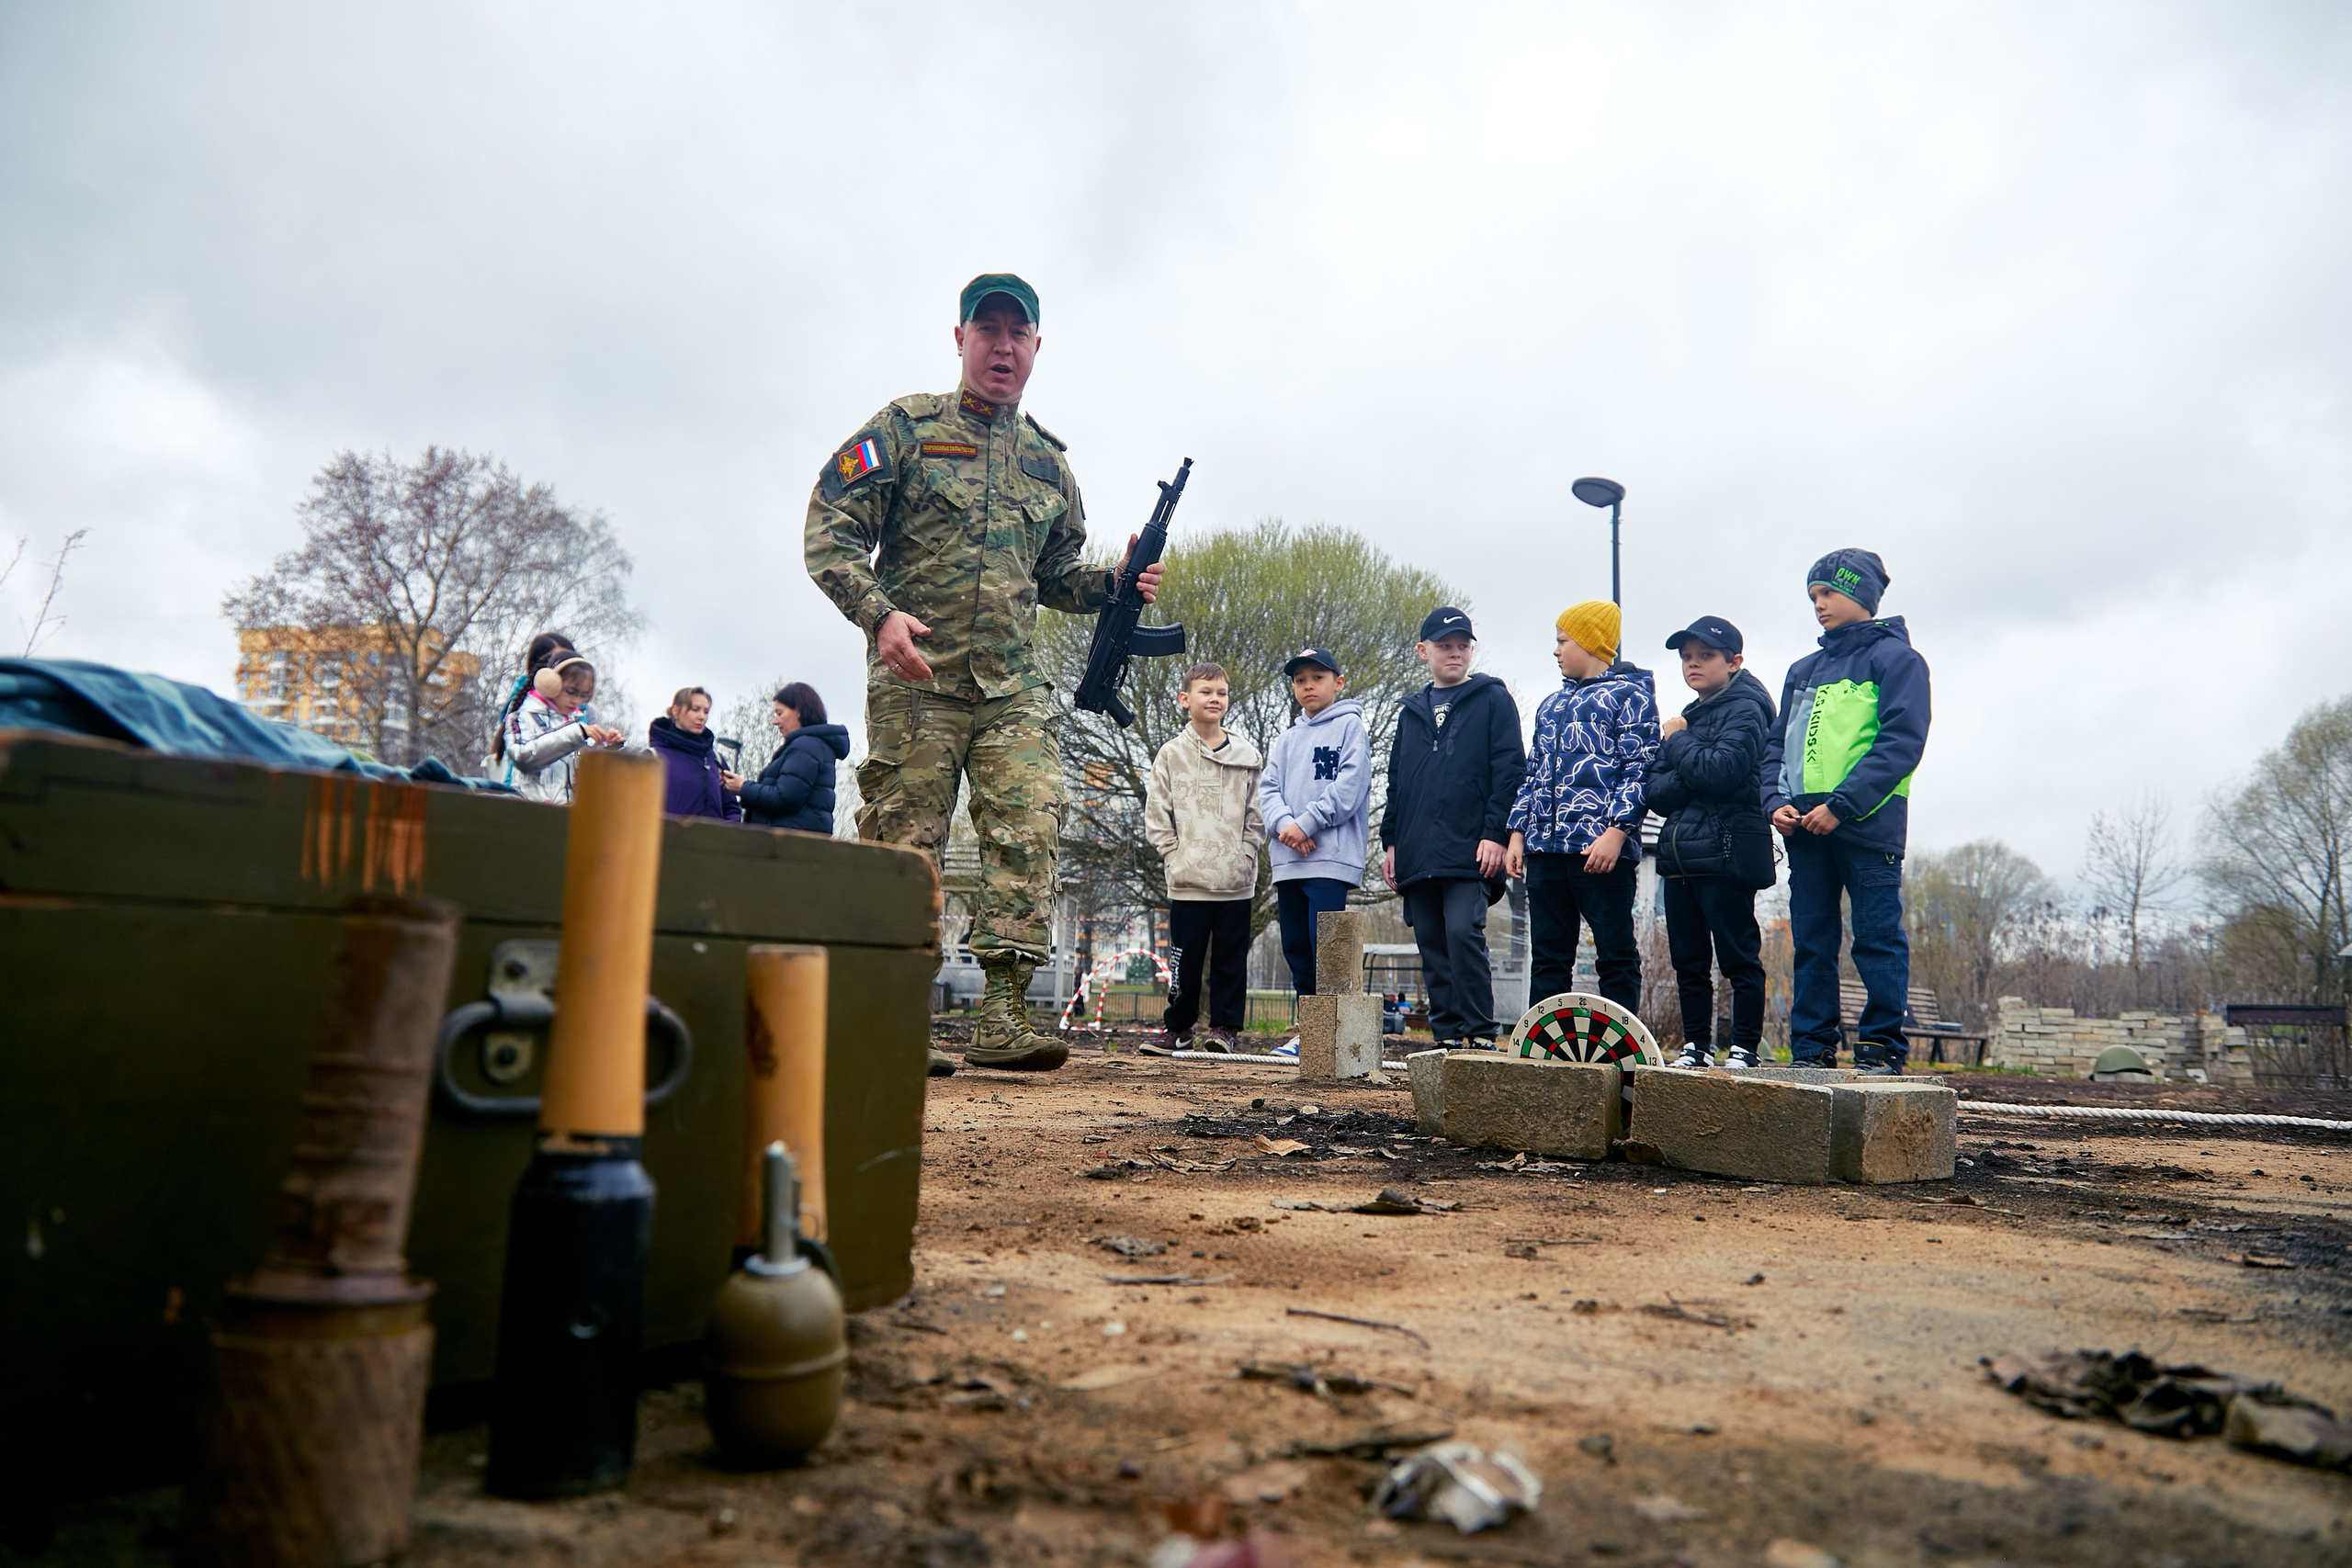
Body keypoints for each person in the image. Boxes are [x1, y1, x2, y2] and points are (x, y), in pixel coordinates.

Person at [804, 273, 1165, 1075]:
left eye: (1018, 333)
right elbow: (828, 531)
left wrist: (1116, 578)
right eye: (987, 329)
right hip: (917, 680)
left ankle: (1002, 1016)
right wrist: (879, 615)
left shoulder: (1048, 464)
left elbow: (1057, 572)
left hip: (1010, 688)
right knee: (907, 843)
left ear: (1037, 346)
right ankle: (894, 1012)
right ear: (960, 338)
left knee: (1029, 826)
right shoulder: (904, 429)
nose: (1002, 346)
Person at [1761, 549, 1931, 1076]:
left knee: (1877, 939)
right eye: (1813, 595)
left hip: (1867, 824)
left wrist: (1842, 806)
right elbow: (1775, 748)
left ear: (1861, 595)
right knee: (1811, 942)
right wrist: (1775, 803)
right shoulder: (1801, 670)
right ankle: (1811, 1049)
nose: (1819, 604)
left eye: (1828, 593)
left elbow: (1901, 743)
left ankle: (1881, 1047)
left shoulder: (1898, 661)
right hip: (1805, 829)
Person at [1378, 608, 1525, 1048]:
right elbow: (1396, 781)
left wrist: (1496, 833)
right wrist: (1391, 843)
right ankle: (1445, 1037)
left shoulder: (1493, 699)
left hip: (1472, 849)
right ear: (1424, 651)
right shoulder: (1410, 712)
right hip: (1418, 851)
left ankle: (1480, 1033)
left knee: (1463, 932)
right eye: (1445, 645)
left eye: (1463, 645)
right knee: (1433, 945)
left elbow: (1510, 770)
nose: (1455, 652)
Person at [1503, 601, 1658, 1016]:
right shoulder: (1550, 706)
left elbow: (1640, 768)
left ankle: (1620, 1050)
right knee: (1550, 957)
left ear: (1589, 643)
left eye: (1562, 641)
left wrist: (1617, 831)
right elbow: (1533, 772)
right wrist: (1518, 833)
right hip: (1545, 853)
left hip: (1599, 854)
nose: (1555, 651)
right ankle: (1545, 1050)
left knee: (1615, 953)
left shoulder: (1631, 698)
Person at [1645, 616, 1777, 1069]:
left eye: (1705, 656)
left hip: (1726, 853)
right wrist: (1694, 766)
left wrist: (1679, 740)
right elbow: (1658, 792)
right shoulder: (1693, 714)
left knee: (1739, 956)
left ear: (1734, 661)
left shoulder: (1747, 708)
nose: (1693, 664)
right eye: (1686, 657)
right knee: (1688, 961)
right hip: (1680, 857)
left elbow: (1722, 772)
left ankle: (1744, 1047)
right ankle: (1696, 1047)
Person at [1142, 662, 1265, 1055]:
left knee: (1230, 961)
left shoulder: (1248, 755)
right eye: (1205, 691)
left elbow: (1257, 812)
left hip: (1235, 881)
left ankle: (1225, 1029)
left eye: (1221, 693)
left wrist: (1247, 852)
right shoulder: (1170, 755)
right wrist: (1172, 854)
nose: (1214, 699)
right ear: (1185, 699)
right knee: (1185, 962)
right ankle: (1178, 1028)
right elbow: (1157, 811)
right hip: (1188, 879)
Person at [1259, 647, 1370, 997]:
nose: (1309, 686)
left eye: (1317, 678)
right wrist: (1286, 827)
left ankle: (1333, 1033)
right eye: (1300, 680)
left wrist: (1306, 824)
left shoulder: (1350, 726)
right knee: (1296, 948)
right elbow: (1268, 790)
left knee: (1327, 950)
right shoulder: (1286, 739)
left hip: (1329, 863)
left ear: (1338, 683)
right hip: (1289, 861)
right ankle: (1308, 1033)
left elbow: (1351, 786)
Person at [499, 650, 624, 805]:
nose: (576, 700)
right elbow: (522, 758)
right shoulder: (520, 718)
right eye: (571, 692)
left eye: (583, 695)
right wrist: (577, 733)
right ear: (550, 684)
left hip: (564, 815)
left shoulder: (577, 726)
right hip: (528, 813)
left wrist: (607, 746)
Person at [740, 682, 851, 833]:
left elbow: (785, 797)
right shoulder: (811, 745)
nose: (775, 721)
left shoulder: (806, 746)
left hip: (788, 846)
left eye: (779, 713)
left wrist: (743, 788)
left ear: (799, 711)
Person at [646, 685, 743, 821]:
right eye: (695, 710)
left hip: (713, 841)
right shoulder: (653, 757)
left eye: (706, 711)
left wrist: (728, 835)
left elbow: (731, 808)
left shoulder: (716, 760)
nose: (702, 717)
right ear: (676, 711)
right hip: (666, 840)